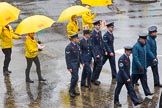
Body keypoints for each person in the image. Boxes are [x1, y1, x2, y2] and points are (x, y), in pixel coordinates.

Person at [65, 33, 84, 97]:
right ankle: (71, 91)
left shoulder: (77, 45)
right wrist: (69, 67)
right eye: (77, 38)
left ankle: (73, 90)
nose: (78, 39)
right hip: (72, 65)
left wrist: (82, 63)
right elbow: (68, 58)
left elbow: (79, 55)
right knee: (75, 78)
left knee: (75, 78)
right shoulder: (69, 47)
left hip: (77, 64)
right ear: (73, 39)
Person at [91, 20, 106, 85]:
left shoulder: (99, 32)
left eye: (99, 25)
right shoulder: (92, 33)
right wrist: (96, 54)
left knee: (96, 65)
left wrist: (104, 50)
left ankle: (93, 78)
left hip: (100, 51)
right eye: (97, 25)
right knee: (100, 65)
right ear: (94, 26)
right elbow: (92, 45)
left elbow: (101, 42)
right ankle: (95, 78)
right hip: (96, 52)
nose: (98, 26)